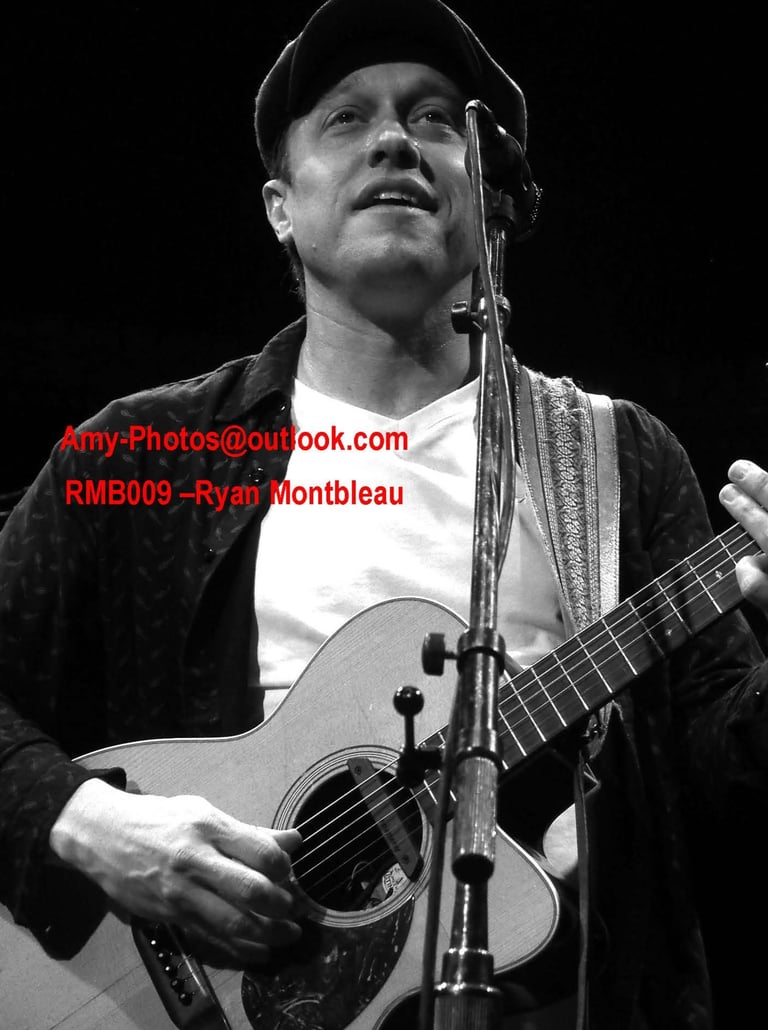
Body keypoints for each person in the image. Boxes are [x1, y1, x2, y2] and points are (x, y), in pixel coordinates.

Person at [1, 0, 767, 1027]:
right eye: (347, 118)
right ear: (281, 206)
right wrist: (90, 823)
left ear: (493, 199)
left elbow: (732, 790)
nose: (397, 139)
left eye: (439, 117)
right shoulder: (151, 454)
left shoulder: (615, 457)